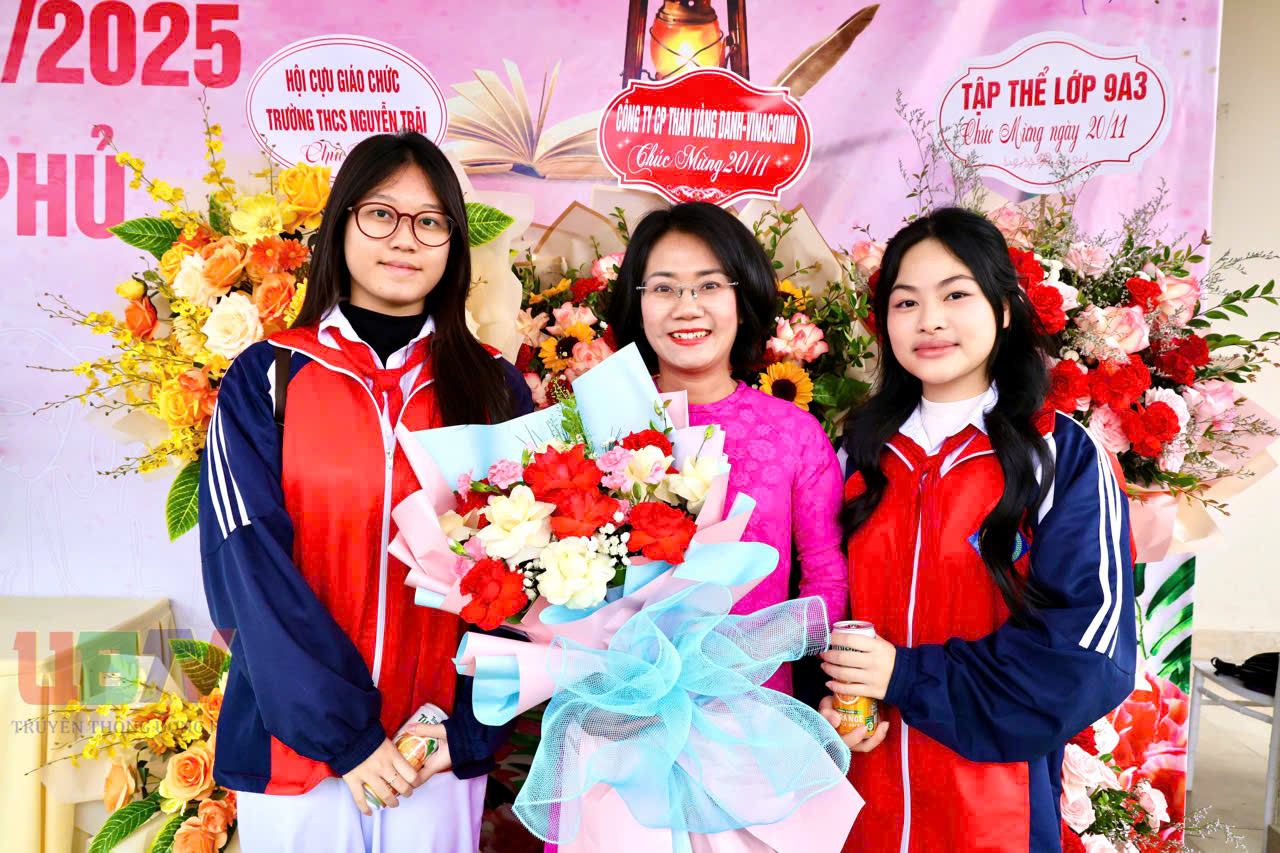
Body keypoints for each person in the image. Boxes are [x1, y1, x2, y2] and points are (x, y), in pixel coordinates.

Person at [199, 132, 533, 852]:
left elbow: (526, 573)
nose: (405, 238)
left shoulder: (494, 388)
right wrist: (346, 737)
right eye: (381, 214)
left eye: (430, 221)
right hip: (296, 754)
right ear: (341, 223)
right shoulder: (267, 377)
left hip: (430, 751)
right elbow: (247, 569)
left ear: (453, 243)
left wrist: (469, 728)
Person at [818, 207, 1136, 852]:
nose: (930, 320)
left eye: (956, 295)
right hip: (857, 804)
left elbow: (1087, 656)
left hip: (994, 813)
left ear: (1006, 308)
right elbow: (811, 607)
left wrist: (905, 676)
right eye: (906, 302)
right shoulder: (855, 455)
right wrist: (824, 704)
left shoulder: (1060, 455)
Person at [608, 201, 849, 694]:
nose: (687, 306)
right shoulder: (600, 422)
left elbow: (827, 585)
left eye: (710, 285)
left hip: (751, 706)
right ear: (637, 304)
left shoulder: (792, 433)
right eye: (663, 288)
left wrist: (735, 656)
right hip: (621, 704)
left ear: (743, 300)